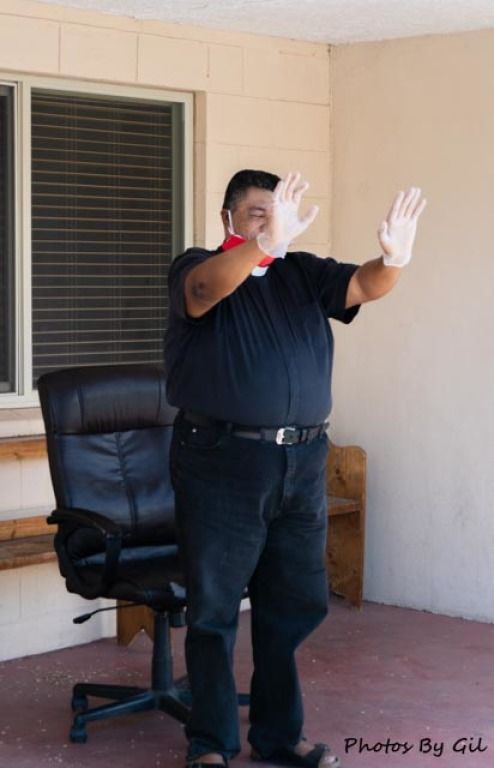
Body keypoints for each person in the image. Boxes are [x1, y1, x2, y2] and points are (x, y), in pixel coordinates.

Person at [164, 170, 426, 768]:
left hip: (303, 461)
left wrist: (395, 259)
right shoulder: (198, 265)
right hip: (221, 461)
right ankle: (210, 743)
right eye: (258, 212)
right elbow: (204, 290)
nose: (271, 221)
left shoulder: (302, 272)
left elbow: (363, 285)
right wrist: (262, 245)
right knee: (214, 611)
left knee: (292, 604)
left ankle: (279, 736)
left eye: (279, 210)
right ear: (229, 218)